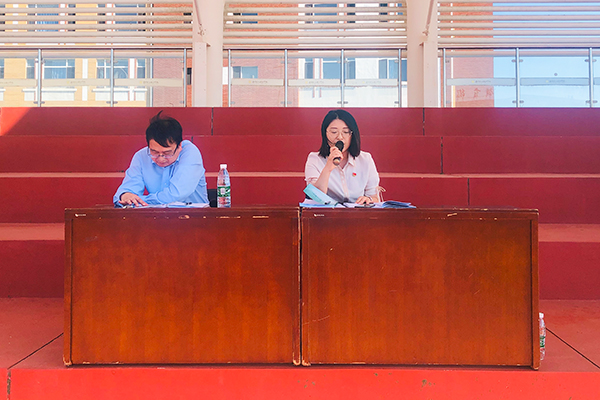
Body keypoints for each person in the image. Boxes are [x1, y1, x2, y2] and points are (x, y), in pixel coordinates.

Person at [113, 111, 208, 207]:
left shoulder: (190, 152)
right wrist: (125, 195)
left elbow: (176, 194)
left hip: (194, 214)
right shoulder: (141, 156)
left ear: (179, 146)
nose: (161, 159)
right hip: (157, 214)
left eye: (167, 153)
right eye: (154, 152)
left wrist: (140, 200)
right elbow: (127, 190)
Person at [304, 109, 380, 205]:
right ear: (325, 134)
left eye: (345, 132)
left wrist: (368, 199)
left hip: (357, 212)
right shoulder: (315, 159)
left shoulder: (365, 159)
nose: (340, 137)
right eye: (334, 132)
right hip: (328, 212)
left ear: (352, 135)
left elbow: (374, 197)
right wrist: (328, 168)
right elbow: (315, 197)